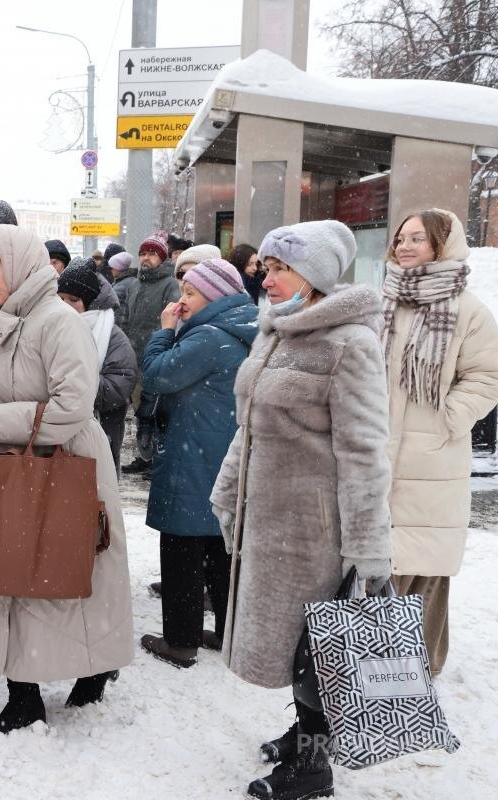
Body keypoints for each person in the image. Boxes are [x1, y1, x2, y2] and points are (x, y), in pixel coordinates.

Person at [210, 220, 392, 800]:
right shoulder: (275, 331)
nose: (268, 278)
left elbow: (365, 450)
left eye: (281, 267)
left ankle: (314, 766)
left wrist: (367, 547)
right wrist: (228, 489)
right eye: (266, 267)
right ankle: (303, 730)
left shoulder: (349, 343)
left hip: (317, 528)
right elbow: (251, 427)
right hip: (269, 520)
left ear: (313, 275)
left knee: (319, 647)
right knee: (295, 641)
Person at [0, 224, 133, 734]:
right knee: (14, 575)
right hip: (18, 465)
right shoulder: (3, 321)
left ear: (19, 267)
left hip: (67, 464)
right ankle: (25, 693)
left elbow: (72, 405)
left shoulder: (59, 321)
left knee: (67, 576)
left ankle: (92, 670)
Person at [383, 209, 498, 677]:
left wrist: (448, 418)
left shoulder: (468, 309)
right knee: (377, 564)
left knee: (424, 567)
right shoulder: (383, 300)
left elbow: (487, 376)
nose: (405, 246)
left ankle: (418, 671)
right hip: (377, 451)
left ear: (442, 247)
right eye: (401, 238)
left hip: (433, 458)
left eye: (418, 239)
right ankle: (369, 667)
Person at [138, 259, 258, 668]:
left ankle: (180, 641)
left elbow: (156, 376)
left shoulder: (208, 336)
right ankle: (227, 634)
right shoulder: (240, 328)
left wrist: (163, 332)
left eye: (190, 292)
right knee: (218, 548)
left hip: (193, 454)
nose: (181, 300)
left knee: (180, 547)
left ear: (214, 296)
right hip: (220, 452)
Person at [57, 259, 137, 473]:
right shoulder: (50, 329)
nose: (65, 305)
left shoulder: (112, 336)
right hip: (56, 434)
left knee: (93, 494)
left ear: (90, 302)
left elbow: (118, 386)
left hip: (100, 432)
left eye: (73, 299)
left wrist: (72, 381)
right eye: (60, 298)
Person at [123, 234, 181, 475]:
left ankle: (158, 457)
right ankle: (144, 457)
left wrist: (160, 349)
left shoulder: (170, 285)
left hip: (157, 358)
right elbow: (127, 318)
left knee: (155, 411)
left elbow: (170, 322)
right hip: (134, 359)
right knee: (140, 410)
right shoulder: (134, 284)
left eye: (152, 254)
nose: (146, 258)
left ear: (162, 258)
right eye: (143, 253)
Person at [108, 250, 137, 317]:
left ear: (118, 268)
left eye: (111, 268)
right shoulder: (120, 281)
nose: (110, 270)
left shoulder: (127, 283)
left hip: (119, 323)